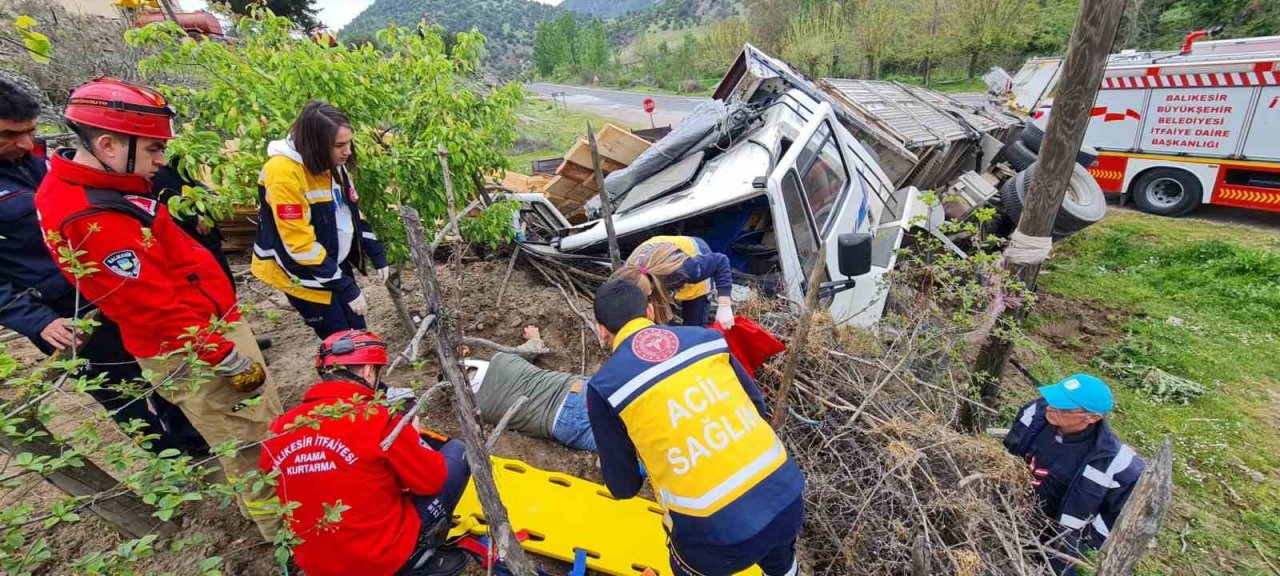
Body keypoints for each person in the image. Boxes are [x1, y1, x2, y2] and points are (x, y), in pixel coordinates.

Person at [34, 76, 282, 539]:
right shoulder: (94, 217)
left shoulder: (98, 187)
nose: (161, 160)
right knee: (252, 443)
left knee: (247, 436)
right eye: (153, 148)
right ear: (107, 144)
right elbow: (150, 306)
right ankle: (288, 534)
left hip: (202, 330)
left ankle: (273, 516)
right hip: (196, 346)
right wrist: (221, 354)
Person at [0, 75, 207, 457]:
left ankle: (195, 444)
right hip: (66, 311)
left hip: (117, 287)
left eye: (30, 131)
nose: (26, 143)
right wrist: (37, 320)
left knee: (161, 369)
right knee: (121, 392)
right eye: (10, 135)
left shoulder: (40, 161)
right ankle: (168, 460)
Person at [586, 279, 804, 576]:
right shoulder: (707, 340)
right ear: (649, 311)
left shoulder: (605, 388)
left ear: (602, 330)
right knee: (780, 563)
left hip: (713, 537)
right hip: (785, 494)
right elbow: (757, 407)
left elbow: (623, 487)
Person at [261, 330, 471, 576]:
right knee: (458, 454)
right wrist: (411, 437)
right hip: (377, 560)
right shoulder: (377, 419)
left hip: (316, 565)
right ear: (369, 371)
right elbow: (431, 480)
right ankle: (417, 559)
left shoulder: (280, 428)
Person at [251, 100, 388, 339]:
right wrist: (344, 286)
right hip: (303, 271)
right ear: (315, 144)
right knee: (340, 340)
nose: (348, 151)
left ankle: (363, 364)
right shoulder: (283, 173)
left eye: (349, 142)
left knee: (357, 330)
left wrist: (375, 251)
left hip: (330, 258)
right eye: (339, 145)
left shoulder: (331, 163)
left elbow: (349, 209)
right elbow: (299, 245)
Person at [1004, 374, 1146, 574]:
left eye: (1064, 408)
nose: (1051, 407)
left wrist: (1079, 542)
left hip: (1053, 540)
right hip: (1007, 511)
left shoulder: (1118, 464)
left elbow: (1115, 516)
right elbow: (1009, 449)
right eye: (1054, 399)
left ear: (1092, 417)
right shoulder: (1036, 413)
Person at [460, 325, 596, 451]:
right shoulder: (503, 359)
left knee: (609, 442)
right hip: (575, 390)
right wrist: (534, 337)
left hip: (562, 426)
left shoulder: (479, 408)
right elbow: (534, 347)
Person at [617, 235, 735, 328]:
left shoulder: (686, 269)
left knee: (694, 327)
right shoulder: (625, 278)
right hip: (657, 250)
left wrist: (724, 305)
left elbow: (721, 261)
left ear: (650, 291)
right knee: (664, 326)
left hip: (692, 251)